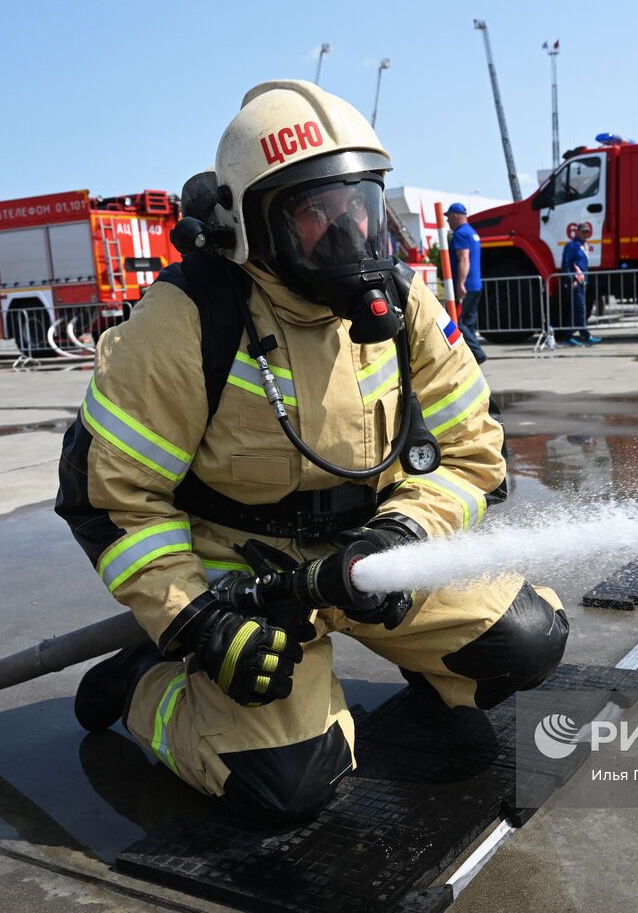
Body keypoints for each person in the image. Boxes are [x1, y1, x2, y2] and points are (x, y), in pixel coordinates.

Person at [58, 81, 566, 825]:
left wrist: (404, 537)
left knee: (528, 638)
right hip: (245, 579)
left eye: (357, 205)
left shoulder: (406, 305)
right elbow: (115, 497)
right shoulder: (187, 318)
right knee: (290, 784)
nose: (347, 235)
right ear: (250, 229)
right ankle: (151, 683)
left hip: (373, 553)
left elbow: (471, 455)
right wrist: (198, 620)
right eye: (312, 213)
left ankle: (428, 663)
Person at [444, 202, 486, 364]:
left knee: (458, 322)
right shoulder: (472, 233)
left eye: (448, 218)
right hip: (475, 284)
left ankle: (477, 354)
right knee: (468, 322)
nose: (447, 221)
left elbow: (464, 259)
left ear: (455, 216)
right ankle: (472, 357)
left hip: (465, 286)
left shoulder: (460, 234)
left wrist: (460, 284)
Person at [557, 224, 601, 346]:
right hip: (575, 282)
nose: (585, 233)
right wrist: (571, 280)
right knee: (580, 309)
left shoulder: (585, 246)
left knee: (577, 309)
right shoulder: (572, 246)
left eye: (587, 231)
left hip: (582, 281)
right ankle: (584, 335)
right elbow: (565, 264)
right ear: (577, 232)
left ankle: (570, 336)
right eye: (583, 231)